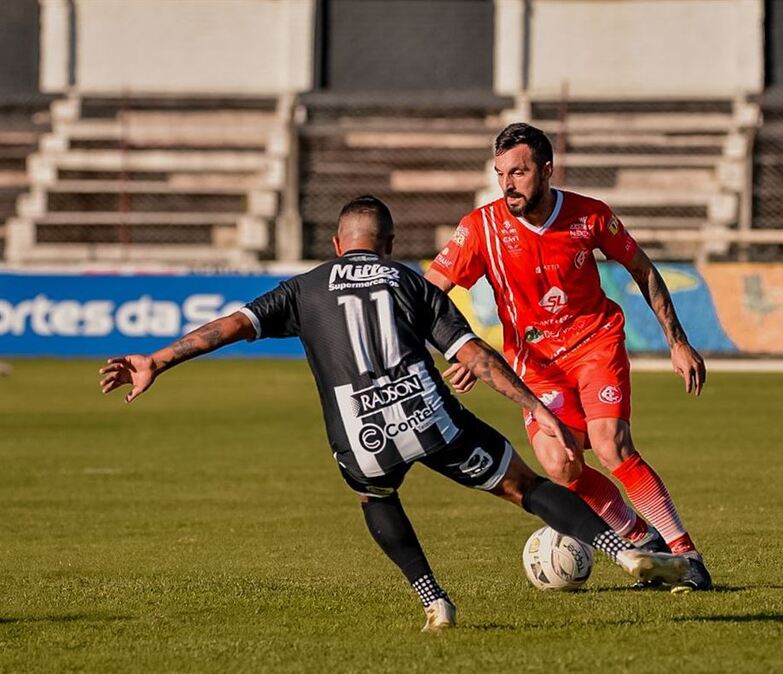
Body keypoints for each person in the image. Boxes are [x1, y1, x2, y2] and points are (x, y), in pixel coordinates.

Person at [99, 195, 691, 632]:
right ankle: (624, 550)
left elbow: (228, 328)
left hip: (360, 433)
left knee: (375, 498)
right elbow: (476, 357)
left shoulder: (303, 288)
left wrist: (158, 359)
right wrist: (537, 406)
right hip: (429, 417)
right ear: (386, 245)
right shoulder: (408, 282)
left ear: (336, 246)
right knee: (527, 487)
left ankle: (434, 600)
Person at [426, 123, 712, 590]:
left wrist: (676, 340)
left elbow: (642, 269)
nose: (508, 184)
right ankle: (644, 544)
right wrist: (459, 345)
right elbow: (431, 295)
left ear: (547, 170)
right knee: (560, 466)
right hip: (534, 368)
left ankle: (686, 554)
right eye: (501, 174)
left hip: (594, 343)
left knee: (609, 445)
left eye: (518, 172)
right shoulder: (480, 229)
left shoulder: (589, 216)